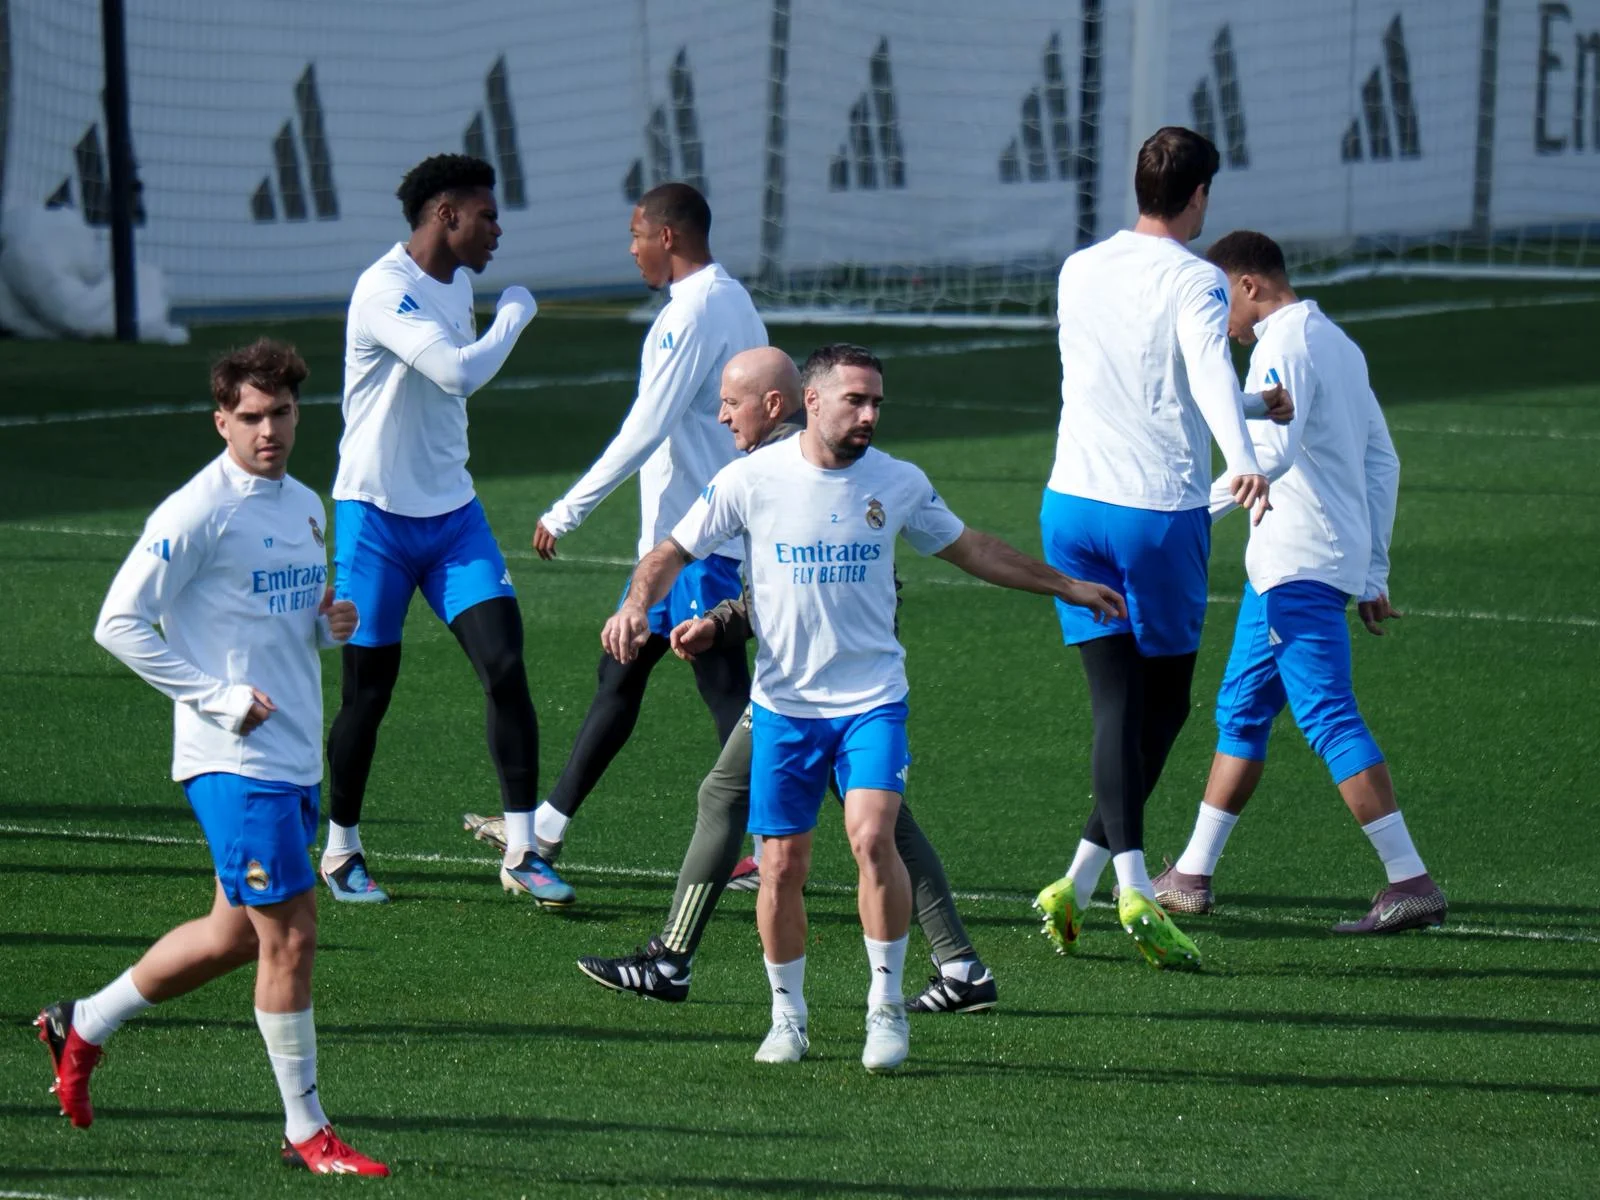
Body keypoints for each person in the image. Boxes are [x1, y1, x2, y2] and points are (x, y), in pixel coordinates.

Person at [601, 344, 1123, 1071]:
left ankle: (885, 1009)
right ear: (810, 402)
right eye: (857, 400)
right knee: (781, 867)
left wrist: (1062, 585)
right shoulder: (748, 480)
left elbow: (973, 548)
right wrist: (636, 605)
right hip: (784, 705)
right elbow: (669, 554)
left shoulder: (899, 482)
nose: (871, 414)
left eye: (877, 401)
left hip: (873, 699)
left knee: (873, 835)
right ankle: (790, 1019)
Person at [37, 340, 387, 1176]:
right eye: (253, 418)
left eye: (283, 414)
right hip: (232, 758)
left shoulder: (305, 504)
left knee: (234, 935)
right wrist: (216, 696)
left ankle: (81, 1024)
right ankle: (306, 1131)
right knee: (292, 938)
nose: (269, 431)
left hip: (295, 752)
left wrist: (323, 623)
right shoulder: (197, 511)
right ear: (221, 419)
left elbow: (281, 615)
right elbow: (117, 623)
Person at [572, 347, 999, 1015]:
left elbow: (837, 582)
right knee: (849, 821)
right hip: (809, 679)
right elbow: (776, 591)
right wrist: (717, 624)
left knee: (854, 828)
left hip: (823, 686)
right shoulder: (769, 470)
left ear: (777, 403)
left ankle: (677, 964)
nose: (721, 417)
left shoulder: (786, 472)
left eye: (731, 403)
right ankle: (960, 964)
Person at [1032, 126, 1288, 971]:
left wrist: (1256, 412)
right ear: (1200, 195)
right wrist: (1244, 458)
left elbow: (1142, 379)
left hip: (1071, 504)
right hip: (1155, 512)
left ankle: (1076, 878)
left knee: (1114, 701)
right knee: (1164, 705)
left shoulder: (1080, 267)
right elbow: (1205, 372)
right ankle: (1136, 883)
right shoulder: (1195, 279)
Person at [1152, 229, 1445, 933]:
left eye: (1220, 299)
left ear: (1249, 284)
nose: (1217, 320)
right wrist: (1372, 569)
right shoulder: (1338, 342)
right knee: (1243, 708)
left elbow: (1269, 455)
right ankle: (1191, 874)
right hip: (1310, 563)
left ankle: (1410, 880)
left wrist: (1184, 514)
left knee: (1326, 713)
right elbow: (1385, 462)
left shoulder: (1282, 345)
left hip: (1297, 564)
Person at [320, 153, 557, 905]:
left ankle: (522, 849)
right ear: (446, 214)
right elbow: (456, 372)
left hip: (454, 519)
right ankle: (340, 850)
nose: (497, 230)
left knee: (506, 666)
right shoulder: (384, 288)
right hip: (376, 520)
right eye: (486, 215)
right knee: (369, 691)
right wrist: (517, 312)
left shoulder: (457, 284)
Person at [526, 182, 767, 902]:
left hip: (697, 541)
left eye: (635, 234)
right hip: (691, 539)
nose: (630, 249)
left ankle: (767, 844)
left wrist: (569, 507)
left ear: (667, 236)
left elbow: (646, 425)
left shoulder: (687, 315)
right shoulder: (736, 300)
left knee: (726, 689)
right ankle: (544, 826)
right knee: (621, 672)